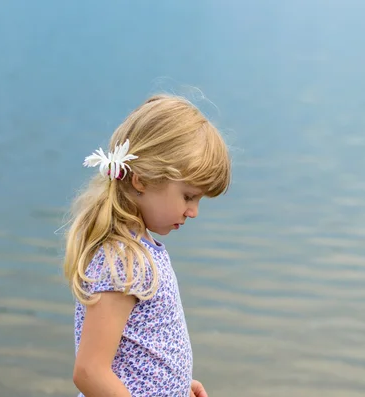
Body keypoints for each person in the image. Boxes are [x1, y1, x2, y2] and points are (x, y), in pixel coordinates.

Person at [62, 94, 231, 397]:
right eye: (188, 196)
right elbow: (90, 371)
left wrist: (175, 385)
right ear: (142, 181)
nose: (193, 211)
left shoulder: (141, 249)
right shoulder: (122, 260)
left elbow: (138, 350)